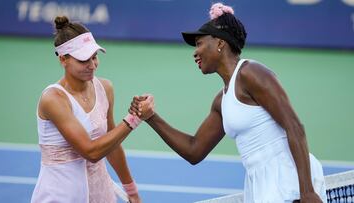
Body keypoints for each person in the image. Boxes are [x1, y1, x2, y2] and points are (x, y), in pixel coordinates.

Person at [130, 3, 327, 203]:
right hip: (261, 185)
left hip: (289, 182)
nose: (194, 52)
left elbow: (294, 126)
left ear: (220, 43)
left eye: (199, 43)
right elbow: (194, 150)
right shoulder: (221, 101)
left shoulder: (252, 73)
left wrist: (307, 191)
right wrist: (151, 118)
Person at [31, 16, 147, 203]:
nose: (92, 65)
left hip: (100, 192)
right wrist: (133, 119)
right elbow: (91, 152)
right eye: (84, 59)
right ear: (63, 60)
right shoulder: (53, 99)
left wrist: (131, 190)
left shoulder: (105, 88)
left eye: (95, 57)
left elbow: (112, 145)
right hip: (61, 196)